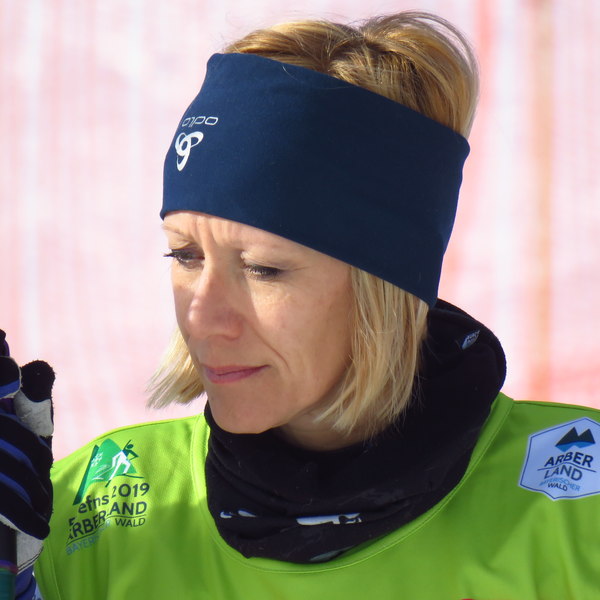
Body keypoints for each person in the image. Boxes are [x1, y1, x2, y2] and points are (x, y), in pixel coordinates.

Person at [1, 10, 599, 599]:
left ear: (386, 284)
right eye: (185, 255)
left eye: (263, 269)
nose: (201, 318)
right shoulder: (90, 518)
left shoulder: (576, 514)